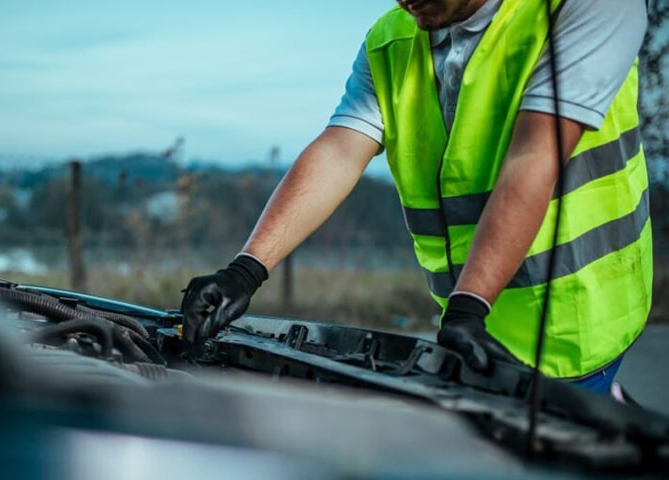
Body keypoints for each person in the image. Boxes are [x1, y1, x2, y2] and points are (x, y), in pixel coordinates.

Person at [180, 0, 651, 395]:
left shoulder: (587, 7)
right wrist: (245, 270)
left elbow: (534, 156)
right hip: (469, 323)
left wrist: (470, 304)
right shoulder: (391, 38)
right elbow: (340, 151)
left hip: (575, 322)